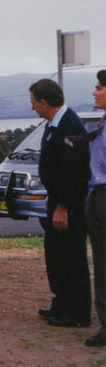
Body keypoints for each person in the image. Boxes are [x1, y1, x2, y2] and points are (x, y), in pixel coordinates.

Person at [28, 78, 91, 328]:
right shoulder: (53, 124)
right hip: (55, 199)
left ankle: (77, 313)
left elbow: (76, 172)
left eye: (34, 103)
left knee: (72, 256)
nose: (32, 107)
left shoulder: (71, 126)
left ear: (44, 102)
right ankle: (62, 303)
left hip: (69, 204)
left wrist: (63, 207)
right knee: (56, 255)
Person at [79, 70, 106, 346]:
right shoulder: (102, 123)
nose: (94, 92)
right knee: (101, 261)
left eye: (99, 88)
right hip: (97, 194)